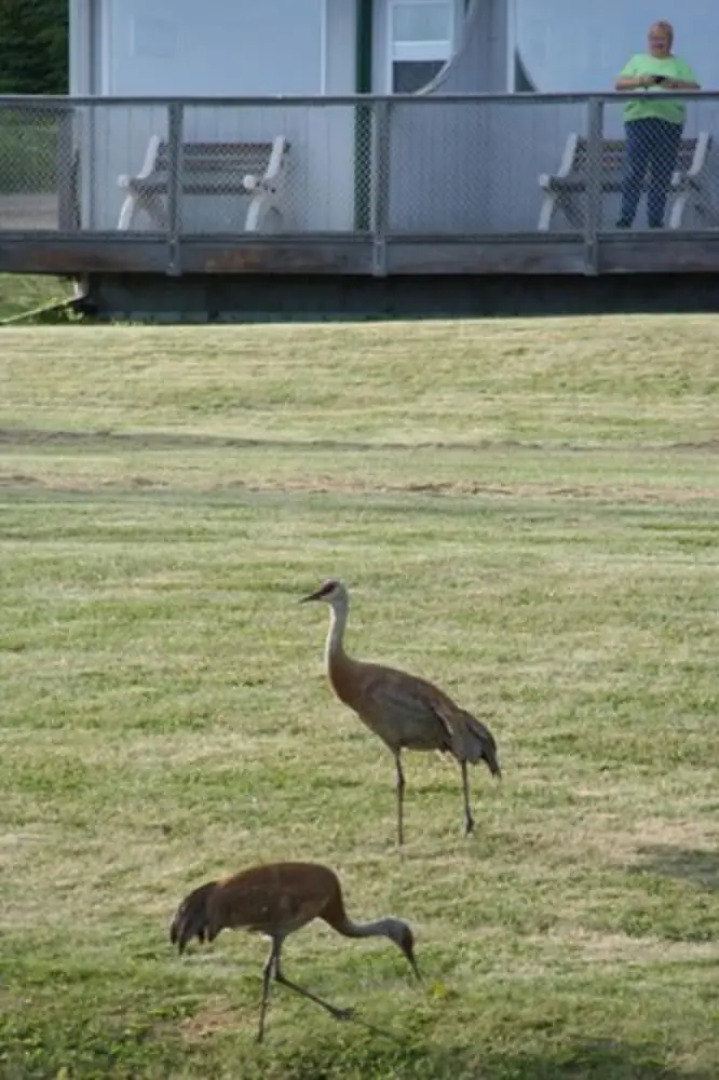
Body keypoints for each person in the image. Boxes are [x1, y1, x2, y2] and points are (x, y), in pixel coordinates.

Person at [615, 21, 700, 229]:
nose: (657, 42)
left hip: (668, 123)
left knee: (662, 173)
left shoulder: (679, 64)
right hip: (639, 121)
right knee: (634, 171)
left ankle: (655, 221)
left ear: (670, 41)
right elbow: (619, 84)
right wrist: (642, 81)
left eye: (661, 38)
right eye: (653, 38)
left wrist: (674, 84)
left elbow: (695, 87)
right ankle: (626, 219)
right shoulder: (637, 60)